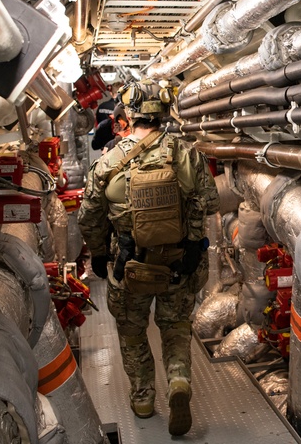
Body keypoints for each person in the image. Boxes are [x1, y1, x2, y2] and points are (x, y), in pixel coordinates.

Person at [77, 89, 218, 436]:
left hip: (130, 268)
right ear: (164, 114)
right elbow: (211, 202)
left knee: (132, 332)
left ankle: (142, 397)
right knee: (175, 328)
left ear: (129, 114)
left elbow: (89, 217)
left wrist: (98, 253)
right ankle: (179, 381)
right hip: (180, 266)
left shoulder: (108, 162)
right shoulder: (187, 155)